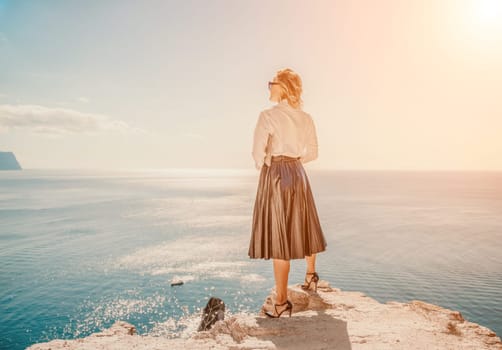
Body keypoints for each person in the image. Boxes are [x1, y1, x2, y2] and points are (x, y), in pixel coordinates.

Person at [248, 68, 328, 318]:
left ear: (282, 87)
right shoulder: (306, 118)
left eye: (271, 83)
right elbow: (313, 152)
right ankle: (310, 276)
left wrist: (270, 163)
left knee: (279, 237)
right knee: (304, 225)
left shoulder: (267, 116)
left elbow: (257, 154)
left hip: (276, 174)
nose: (268, 87)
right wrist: (295, 161)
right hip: (298, 172)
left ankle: (281, 303)